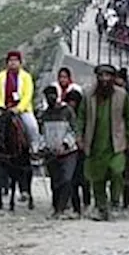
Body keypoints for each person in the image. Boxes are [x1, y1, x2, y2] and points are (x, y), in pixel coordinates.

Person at [76, 64, 129, 221]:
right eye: (101, 76)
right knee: (97, 177)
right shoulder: (88, 95)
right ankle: (101, 206)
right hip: (94, 143)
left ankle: (115, 203)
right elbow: (81, 118)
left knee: (116, 171)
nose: (104, 79)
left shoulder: (122, 95)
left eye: (107, 76)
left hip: (115, 143)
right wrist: (79, 137)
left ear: (113, 78)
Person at [0, 50, 41, 159]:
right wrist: (1, 106)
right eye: (10, 61)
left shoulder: (26, 76)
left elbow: (28, 94)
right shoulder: (1, 76)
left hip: (21, 109)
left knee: (32, 126)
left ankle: (35, 148)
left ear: (20, 62)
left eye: (15, 60)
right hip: (4, 109)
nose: (13, 63)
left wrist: (19, 108)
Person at [40, 85, 79, 218]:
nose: (50, 98)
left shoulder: (67, 111)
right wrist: (43, 147)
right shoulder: (44, 114)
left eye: (52, 95)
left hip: (69, 152)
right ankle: (56, 208)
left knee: (67, 179)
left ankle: (63, 208)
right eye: (48, 95)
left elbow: (75, 130)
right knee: (55, 182)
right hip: (51, 153)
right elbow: (42, 134)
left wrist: (65, 144)